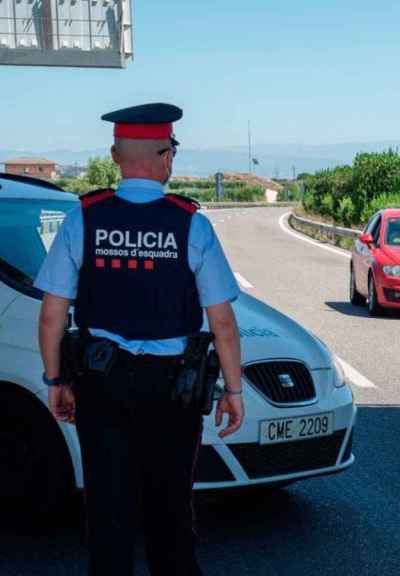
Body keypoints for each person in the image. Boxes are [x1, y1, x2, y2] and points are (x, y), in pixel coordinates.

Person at [35, 103, 245, 575]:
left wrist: (55, 380)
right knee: (170, 514)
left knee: (108, 515)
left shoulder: (83, 218)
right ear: (166, 156)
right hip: (173, 391)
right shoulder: (191, 223)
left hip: (100, 385)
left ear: (115, 155)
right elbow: (223, 322)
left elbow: (52, 316)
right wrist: (233, 391)